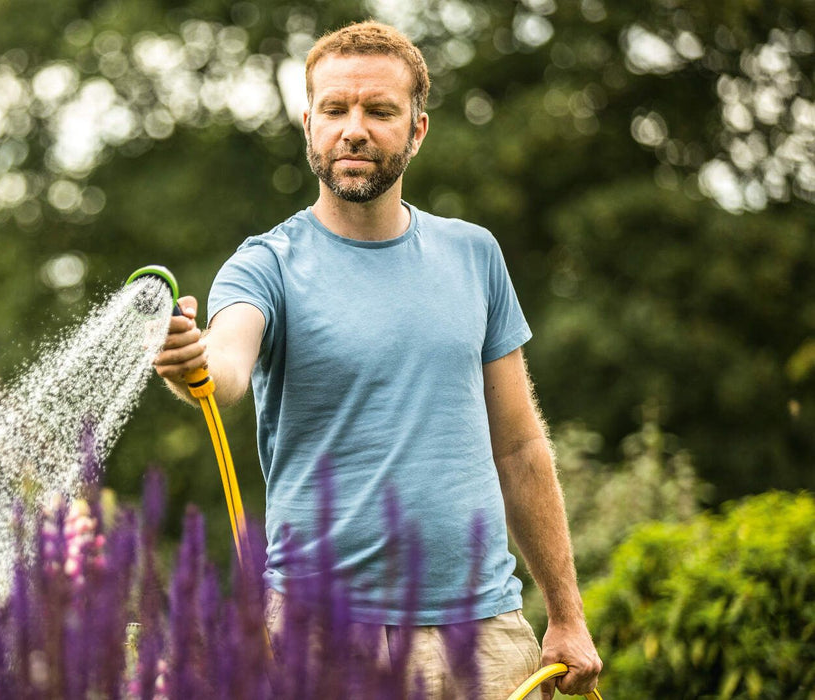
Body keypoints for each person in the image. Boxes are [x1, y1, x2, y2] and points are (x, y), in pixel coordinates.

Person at [153, 20, 602, 699]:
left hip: (484, 633)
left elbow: (518, 447)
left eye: (379, 111)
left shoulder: (474, 255)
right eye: (335, 109)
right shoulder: (265, 264)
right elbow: (226, 366)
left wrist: (567, 616)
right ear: (309, 125)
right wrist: (191, 359)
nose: (354, 130)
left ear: (417, 130)